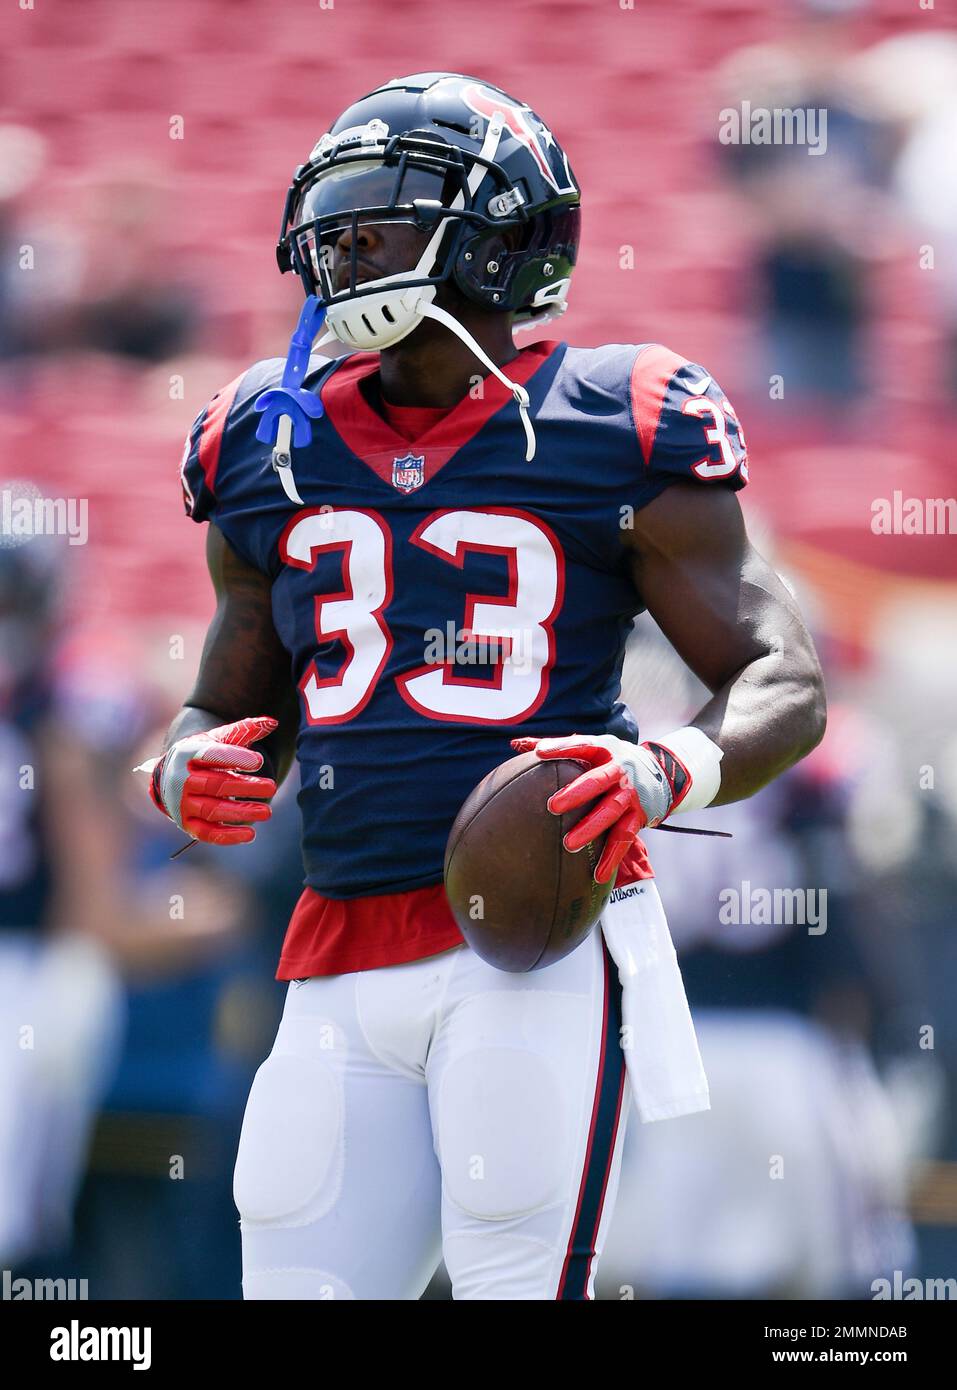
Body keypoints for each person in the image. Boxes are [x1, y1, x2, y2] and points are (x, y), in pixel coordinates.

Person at [139, 72, 826, 1301]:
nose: (341, 252)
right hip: (335, 948)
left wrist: (666, 769)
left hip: (536, 943)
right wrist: (186, 761)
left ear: (496, 242)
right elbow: (233, 700)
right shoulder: (263, 436)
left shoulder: (617, 415)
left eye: (378, 221)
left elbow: (780, 677)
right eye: (332, 225)